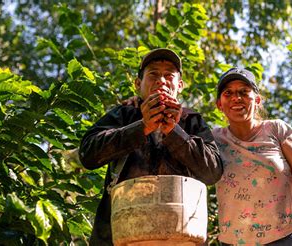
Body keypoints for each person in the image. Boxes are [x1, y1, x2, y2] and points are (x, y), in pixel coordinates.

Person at [79, 48, 223, 246]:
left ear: (179, 85)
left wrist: (175, 133)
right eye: (153, 74)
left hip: (181, 238)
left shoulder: (191, 120)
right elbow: (88, 154)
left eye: (168, 76)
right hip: (123, 235)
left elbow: (212, 172)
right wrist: (142, 127)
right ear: (139, 84)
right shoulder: (124, 114)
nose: (161, 81)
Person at [213, 67, 292, 246]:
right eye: (228, 93)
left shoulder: (277, 130)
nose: (236, 98)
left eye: (244, 92)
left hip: (287, 237)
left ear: (257, 100)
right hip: (233, 242)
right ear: (219, 104)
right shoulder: (213, 139)